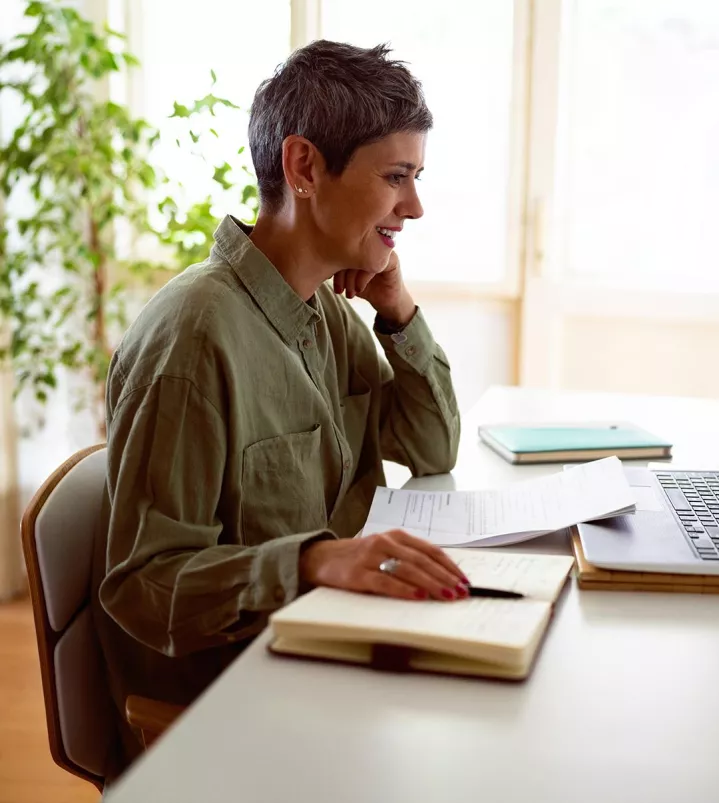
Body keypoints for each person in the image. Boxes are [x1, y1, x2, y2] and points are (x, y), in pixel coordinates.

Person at [91, 40, 467, 772]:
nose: (414, 206)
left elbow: (432, 445)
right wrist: (316, 561)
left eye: (416, 178)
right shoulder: (195, 337)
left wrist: (396, 306)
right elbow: (144, 585)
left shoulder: (321, 312)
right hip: (239, 707)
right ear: (303, 168)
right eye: (396, 177)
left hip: (321, 653)